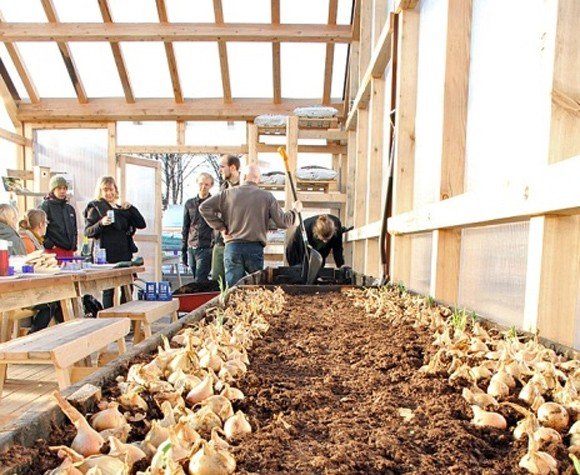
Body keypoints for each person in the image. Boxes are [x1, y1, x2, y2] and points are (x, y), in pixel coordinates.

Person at [200, 163, 302, 287]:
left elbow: (203, 207)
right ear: (258, 179)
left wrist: (221, 227)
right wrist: (295, 210)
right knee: (255, 289)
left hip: (233, 247)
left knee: (233, 289)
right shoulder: (267, 197)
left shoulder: (227, 194)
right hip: (254, 248)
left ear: (243, 176)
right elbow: (283, 222)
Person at [84, 176, 146, 308]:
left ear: (115, 190)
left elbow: (141, 224)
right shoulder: (95, 207)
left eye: (111, 189)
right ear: (100, 191)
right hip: (106, 255)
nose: (109, 193)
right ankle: (109, 318)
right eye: (105, 190)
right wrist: (101, 223)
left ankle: (126, 316)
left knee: (128, 288)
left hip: (124, 253)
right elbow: (88, 232)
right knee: (108, 290)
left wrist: (131, 208)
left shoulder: (121, 208)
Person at [0, 204, 61, 332]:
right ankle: (33, 336)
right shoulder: (17, 239)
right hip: (13, 293)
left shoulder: (20, 237)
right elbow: (22, 266)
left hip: (7, 290)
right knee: (51, 302)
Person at [211, 154, 241, 283]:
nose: (220, 170)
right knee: (217, 283)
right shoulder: (223, 187)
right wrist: (221, 229)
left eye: (222, 166)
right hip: (220, 242)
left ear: (232, 167)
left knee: (236, 284)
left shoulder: (246, 188)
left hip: (238, 244)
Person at [181, 172, 214, 282]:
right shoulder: (189, 204)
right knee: (196, 277)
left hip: (207, 246)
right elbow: (185, 227)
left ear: (211, 186)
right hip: (192, 246)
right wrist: (183, 251)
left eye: (206, 184)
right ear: (197, 183)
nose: (203, 187)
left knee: (200, 278)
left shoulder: (214, 203)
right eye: (201, 184)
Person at [39, 175, 78, 258]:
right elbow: (39, 227)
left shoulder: (70, 208)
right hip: (53, 252)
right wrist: (49, 244)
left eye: (64, 188)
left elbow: (74, 229)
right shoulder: (46, 206)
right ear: (53, 190)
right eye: (59, 188)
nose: (62, 191)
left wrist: (74, 245)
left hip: (69, 252)